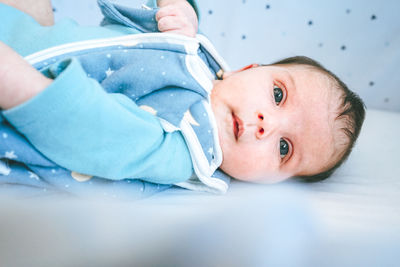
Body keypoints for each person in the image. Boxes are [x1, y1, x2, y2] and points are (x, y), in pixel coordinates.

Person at [0, 0, 365, 194]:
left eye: (284, 148)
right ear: (247, 68)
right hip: (29, 32)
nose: (267, 123)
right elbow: (141, 21)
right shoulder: (192, 50)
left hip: (20, 86)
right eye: (277, 94)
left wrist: (21, 84)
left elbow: (98, 133)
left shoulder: (184, 147)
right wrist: (180, 10)